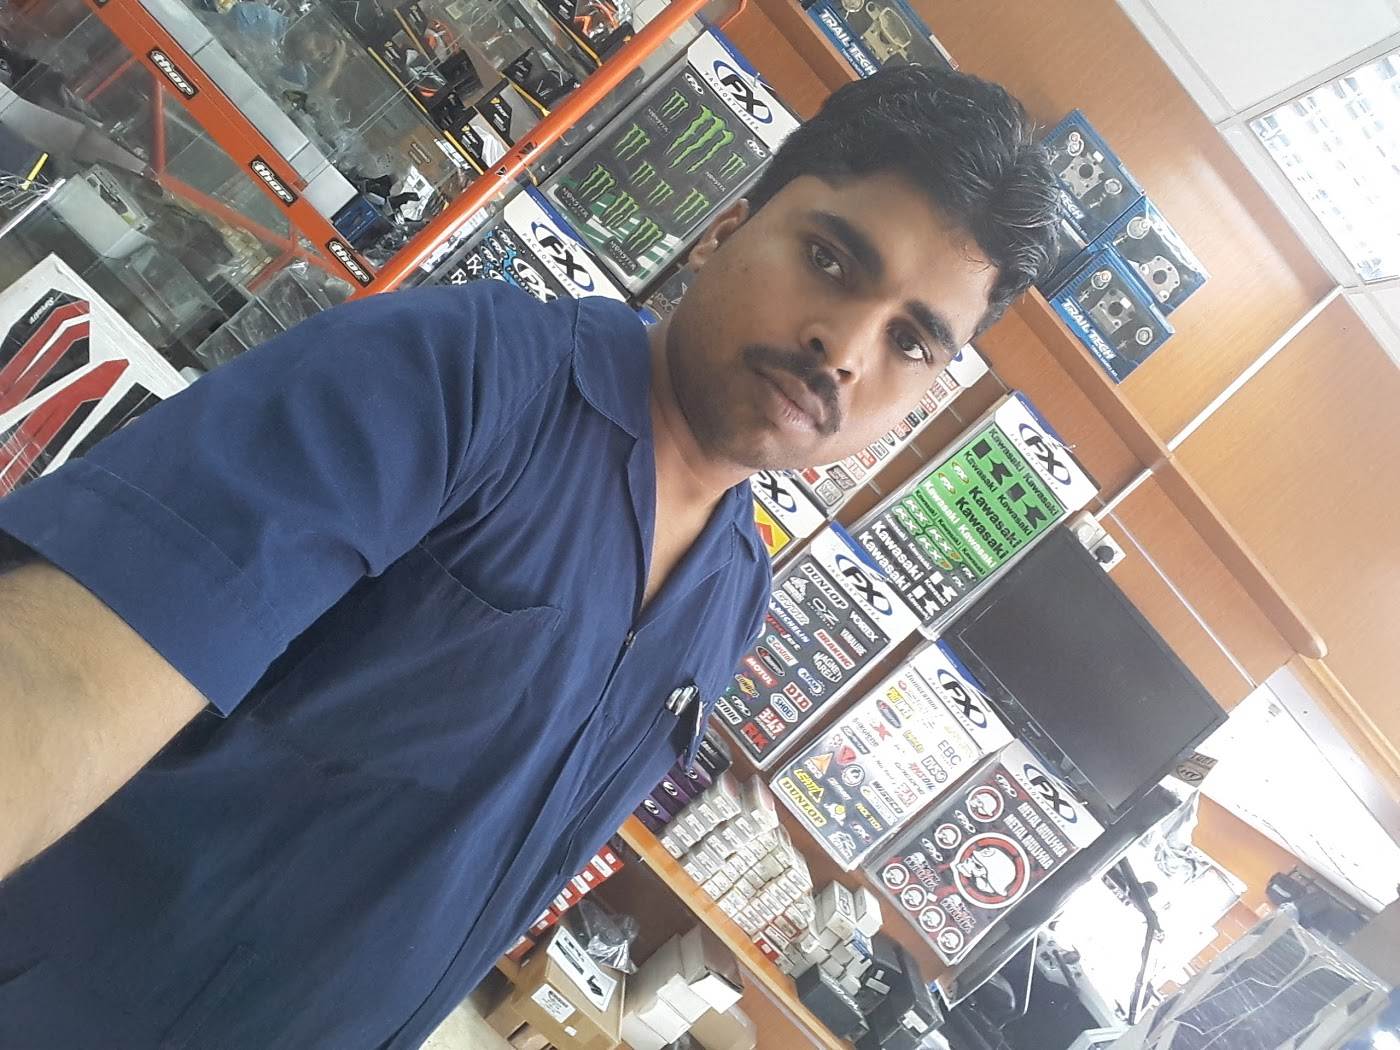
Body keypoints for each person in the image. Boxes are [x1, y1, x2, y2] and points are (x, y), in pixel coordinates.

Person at [0, 66, 1060, 1047]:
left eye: (910, 341)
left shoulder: (732, 597)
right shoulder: (463, 375)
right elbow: (61, 674)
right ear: (722, 233)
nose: (846, 347)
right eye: (829, 260)